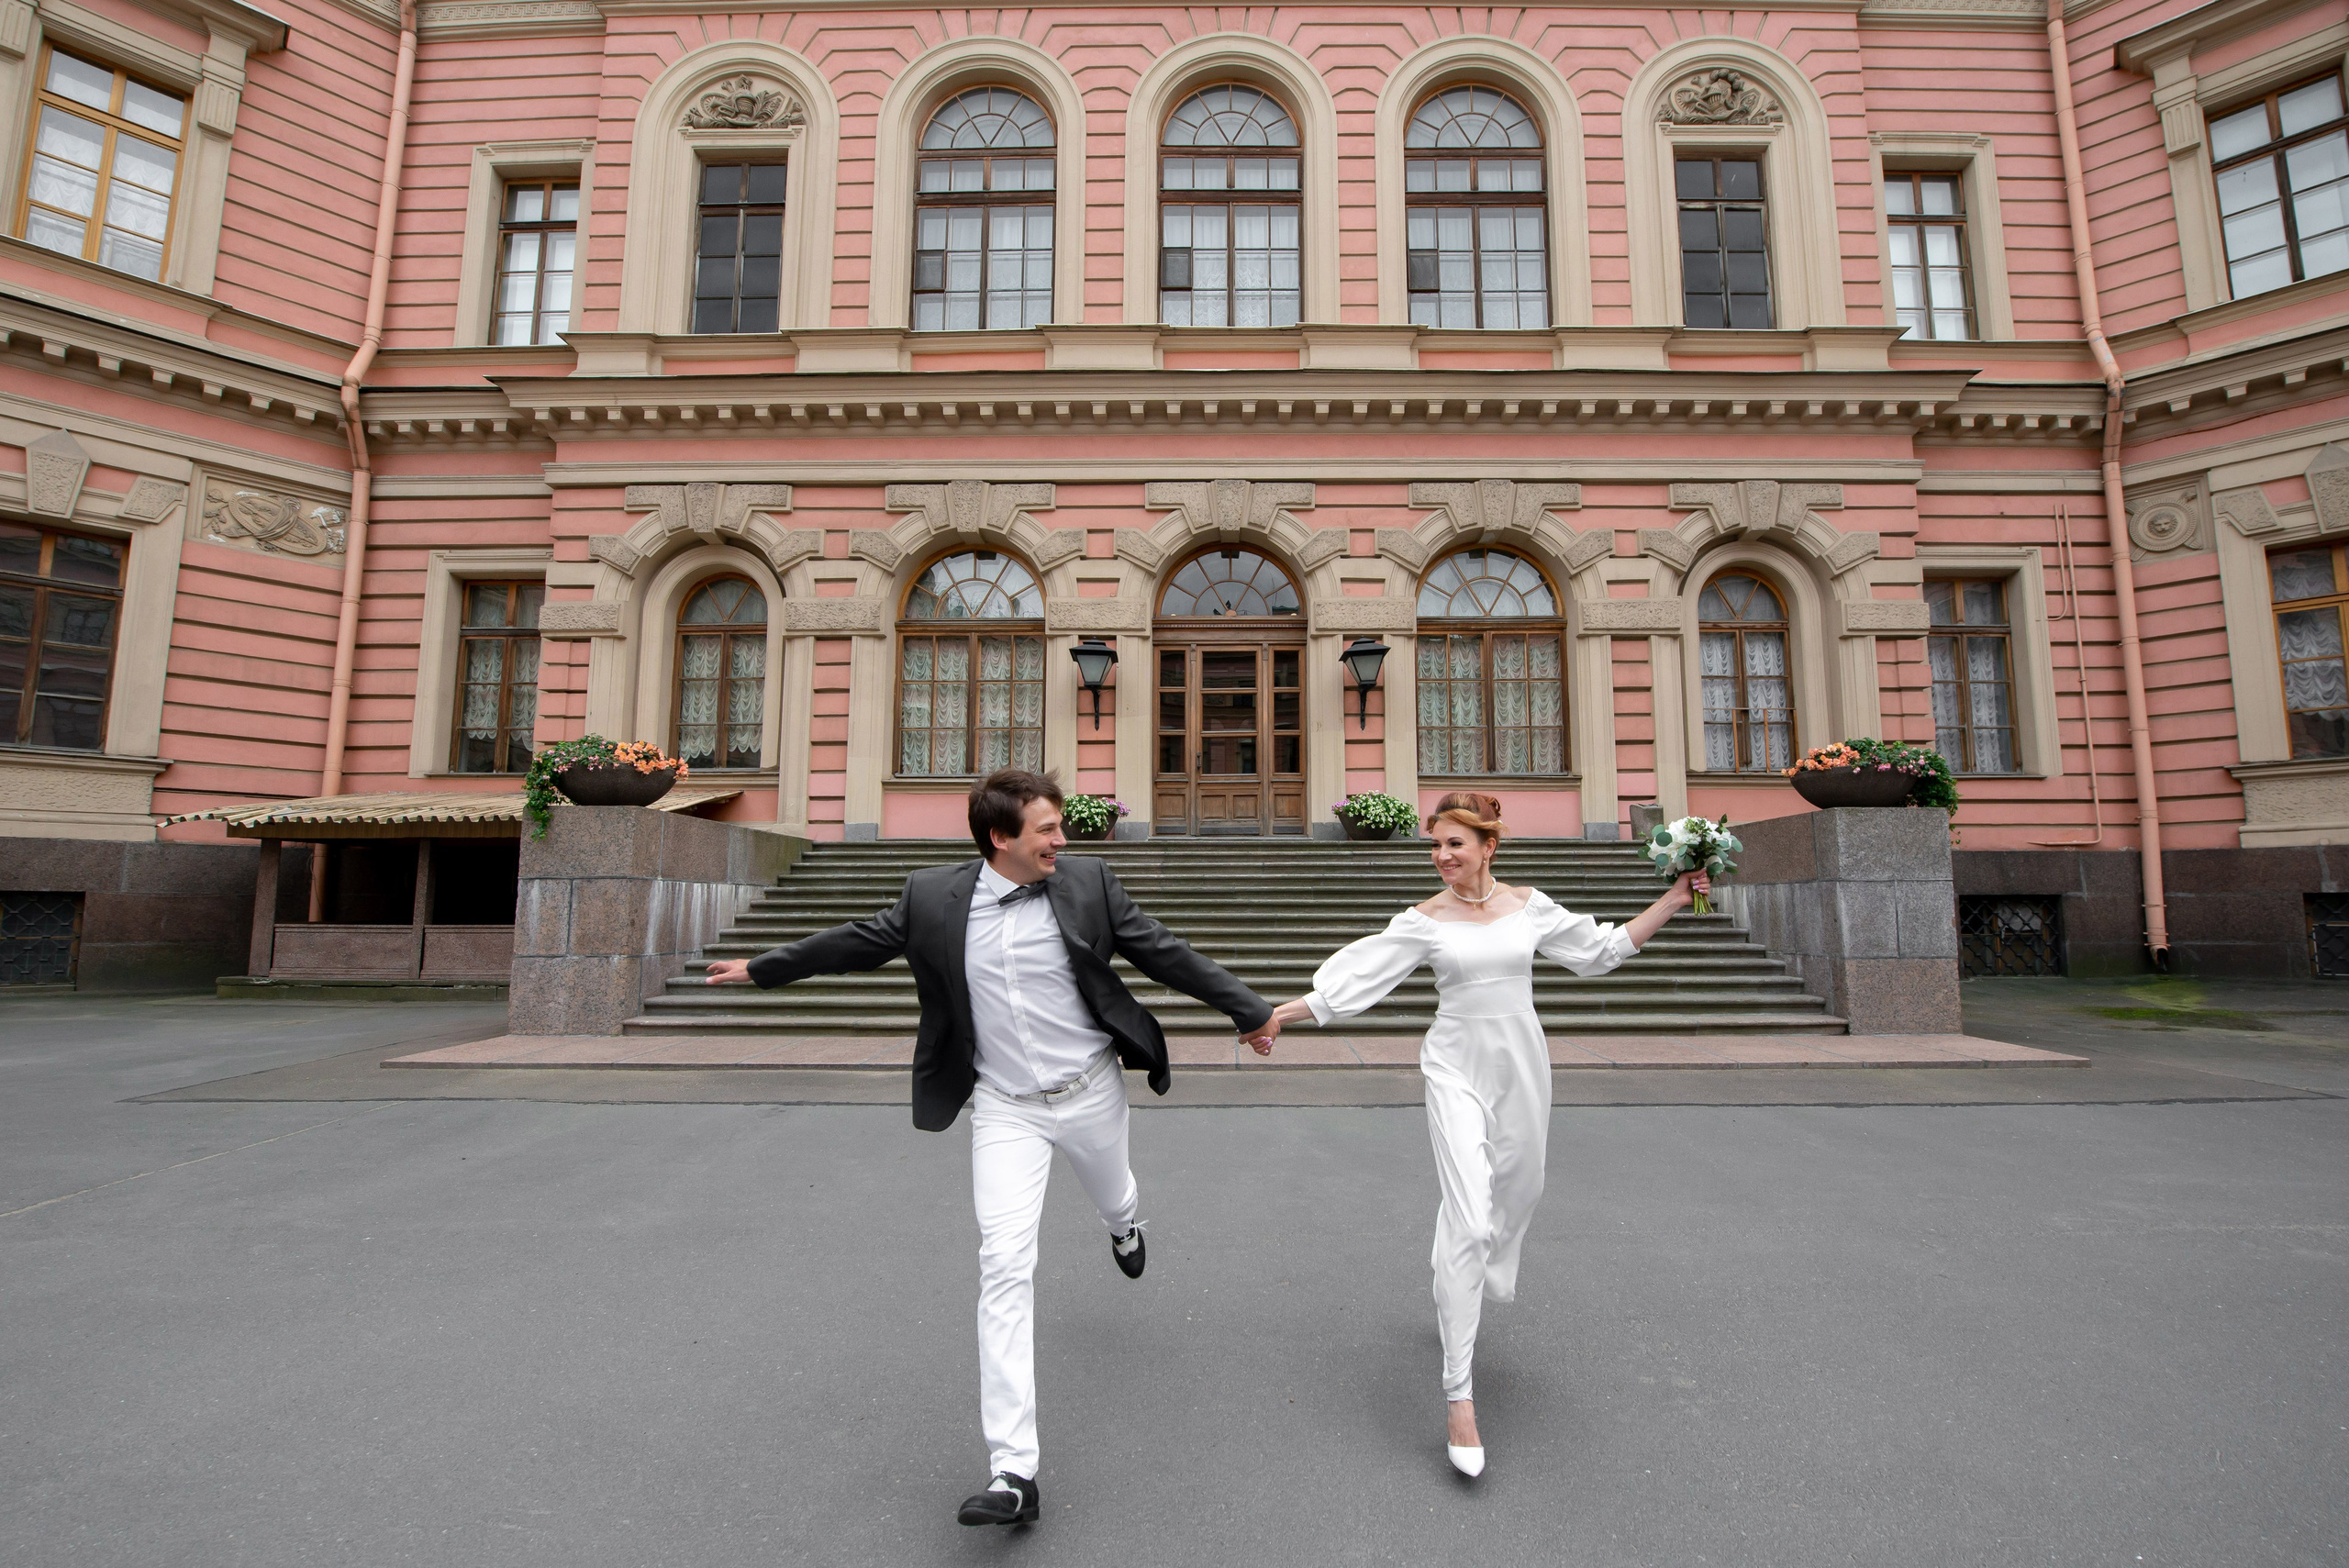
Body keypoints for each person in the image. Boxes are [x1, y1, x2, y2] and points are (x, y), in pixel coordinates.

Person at [707, 768, 1276, 1527]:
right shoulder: (932, 897)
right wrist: (762, 966)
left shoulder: (1089, 885)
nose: (1061, 839)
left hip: (1090, 1090)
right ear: (1000, 837)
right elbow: (855, 941)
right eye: (1046, 828)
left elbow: (1164, 952)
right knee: (1003, 1264)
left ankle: (1125, 1225)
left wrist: (1250, 1010)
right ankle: (1014, 1469)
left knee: (1115, 1191)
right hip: (1005, 1108)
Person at [1244, 791, 1709, 1479]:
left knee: (1520, 1192)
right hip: (1454, 1067)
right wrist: (1276, 1014)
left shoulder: (1530, 906)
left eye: (1454, 844)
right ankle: (1459, 1395)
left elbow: (1603, 951)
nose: (1441, 856)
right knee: (1467, 1219)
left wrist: (1674, 898)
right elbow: (1354, 982)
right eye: (1435, 845)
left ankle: (1457, 1263)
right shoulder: (1422, 921)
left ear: (1489, 846)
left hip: (1521, 1068)